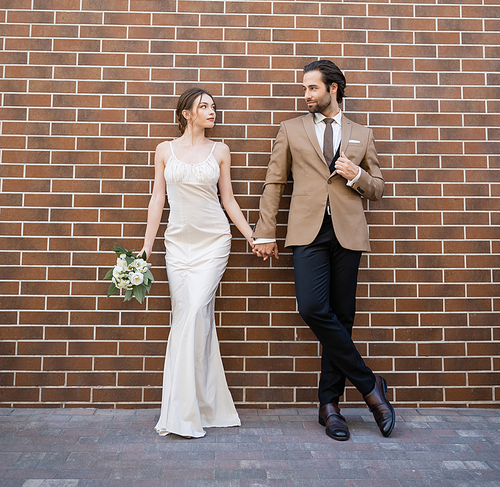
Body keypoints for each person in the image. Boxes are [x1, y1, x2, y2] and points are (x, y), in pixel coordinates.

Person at [252, 59, 395, 441]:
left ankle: (329, 406)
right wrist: (264, 231)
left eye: (312, 88)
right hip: (307, 232)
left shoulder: (361, 133)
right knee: (313, 308)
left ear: (333, 88)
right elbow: (274, 182)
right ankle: (370, 386)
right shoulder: (290, 129)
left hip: (348, 233)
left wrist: (357, 175)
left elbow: (379, 187)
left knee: (342, 317)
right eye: (304, 89)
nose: (306, 95)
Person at [138, 88, 254, 439]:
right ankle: (201, 406)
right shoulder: (164, 151)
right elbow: (158, 198)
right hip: (177, 247)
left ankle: (186, 411)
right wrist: (145, 248)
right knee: (191, 318)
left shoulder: (220, 151)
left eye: (213, 107)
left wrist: (252, 236)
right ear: (186, 113)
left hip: (214, 242)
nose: (211, 111)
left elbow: (228, 199)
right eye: (204, 107)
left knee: (191, 315)